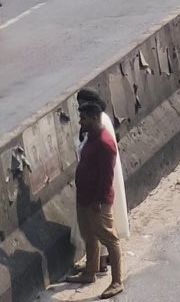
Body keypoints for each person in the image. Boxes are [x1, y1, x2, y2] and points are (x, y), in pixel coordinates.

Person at [71, 97, 125, 297]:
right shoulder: (91, 138)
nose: (81, 122)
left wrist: (98, 201)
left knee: (109, 238)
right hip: (84, 197)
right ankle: (90, 271)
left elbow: (107, 176)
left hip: (97, 202)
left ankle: (117, 281)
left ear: (95, 118)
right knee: (89, 235)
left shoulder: (105, 143)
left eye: (84, 119)